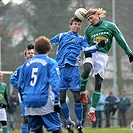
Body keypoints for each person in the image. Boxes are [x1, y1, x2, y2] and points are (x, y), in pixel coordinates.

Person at [50, 17, 106, 133]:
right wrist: (38, 46)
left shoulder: (81, 39)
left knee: (77, 98)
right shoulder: (61, 36)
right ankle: (69, 122)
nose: (77, 26)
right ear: (70, 25)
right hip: (60, 70)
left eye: (79, 25)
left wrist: (97, 46)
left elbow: (87, 49)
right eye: (75, 24)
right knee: (61, 98)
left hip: (73, 71)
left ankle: (79, 124)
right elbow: (48, 43)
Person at [80, 7, 133, 123]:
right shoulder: (88, 30)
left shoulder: (110, 26)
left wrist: (129, 52)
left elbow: (120, 39)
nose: (90, 20)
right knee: (86, 69)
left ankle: (92, 111)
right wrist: (88, 51)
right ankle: (82, 93)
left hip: (102, 57)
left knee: (98, 83)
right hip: (91, 53)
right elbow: (84, 44)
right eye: (88, 19)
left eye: (91, 17)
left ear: (97, 14)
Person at [18, 36, 63, 133]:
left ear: (36, 49)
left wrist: (24, 99)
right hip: (44, 100)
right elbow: (55, 82)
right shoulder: (51, 62)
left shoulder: (26, 64)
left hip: (29, 102)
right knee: (57, 129)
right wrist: (56, 100)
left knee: (37, 130)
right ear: (49, 48)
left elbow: (20, 85)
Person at [10, 43, 34, 133]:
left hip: (36, 95)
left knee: (35, 118)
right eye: (29, 53)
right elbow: (13, 80)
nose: (31, 54)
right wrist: (22, 87)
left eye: (32, 53)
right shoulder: (21, 68)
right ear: (25, 56)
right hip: (24, 96)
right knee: (25, 118)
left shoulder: (39, 67)